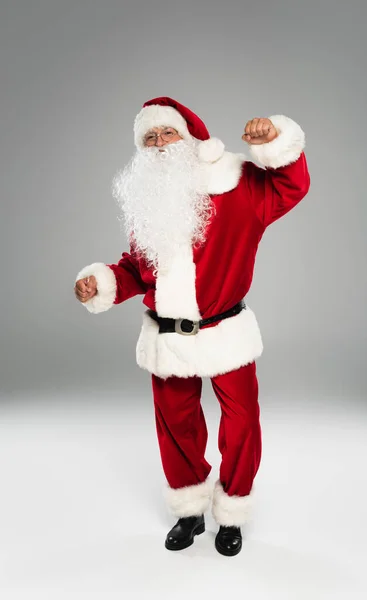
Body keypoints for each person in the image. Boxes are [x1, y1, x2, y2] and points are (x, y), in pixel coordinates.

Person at [74, 96, 310, 556]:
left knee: (241, 425)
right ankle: (189, 510)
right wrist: (100, 282)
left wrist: (276, 141)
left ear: (191, 138)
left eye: (168, 133)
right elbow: (137, 271)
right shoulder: (150, 204)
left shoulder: (236, 184)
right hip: (167, 335)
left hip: (226, 331)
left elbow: (289, 185)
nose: (160, 144)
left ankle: (233, 511)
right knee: (176, 426)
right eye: (150, 137)